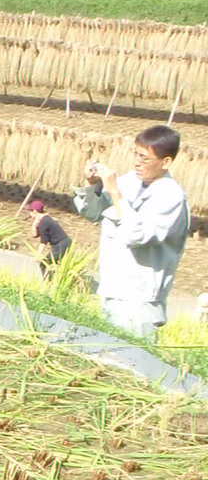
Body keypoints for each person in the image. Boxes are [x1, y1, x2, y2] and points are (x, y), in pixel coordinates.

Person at [73, 126, 189, 336]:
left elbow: (137, 235)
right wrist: (93, 185)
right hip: (112, 289)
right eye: (136, 154)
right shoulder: (130, 181)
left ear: (166, 162)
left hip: (139, 301)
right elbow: (92, 213)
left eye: (144, 158)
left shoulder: (171, 196)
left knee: (130, 359)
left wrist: (115, 192)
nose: (137, 162)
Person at [23, 198, 71, 275]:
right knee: (56, 264)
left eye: (30, 212)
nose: (29, 214)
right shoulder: (44, 220)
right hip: (62, 244)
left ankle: (47, 282)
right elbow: (35, 235)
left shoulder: (44, 223)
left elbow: (43, 242)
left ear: (35, 211)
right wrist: (34, 225)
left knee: (43, 264)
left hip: (61, 245)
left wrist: (37, 255)